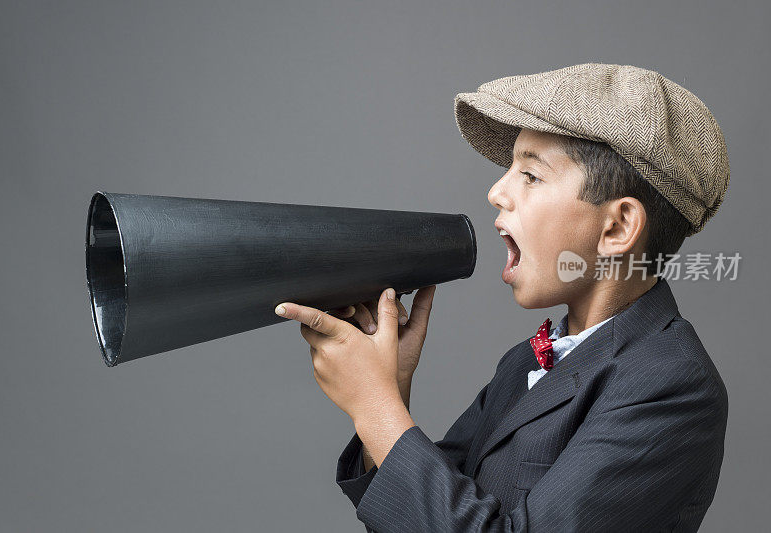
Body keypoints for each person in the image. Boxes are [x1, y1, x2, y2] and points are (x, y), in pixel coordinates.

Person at [273, 63, 729, 532]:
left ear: (617, 227)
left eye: (531, 175)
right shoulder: (524, 363)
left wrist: (375, 406)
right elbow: (430, 513)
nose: (496, 192)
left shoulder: (672, 385)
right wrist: (390, 388)